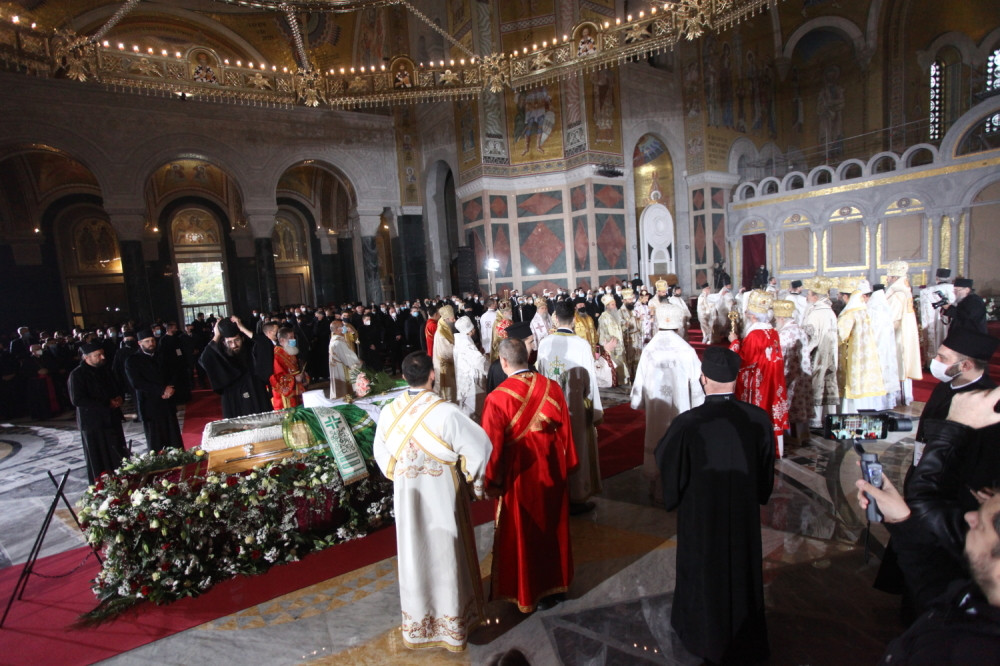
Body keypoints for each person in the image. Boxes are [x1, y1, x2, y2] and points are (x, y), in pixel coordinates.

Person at [655, 346, 775, 664]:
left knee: (702, 572)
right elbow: (766, 473)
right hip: (743, 520)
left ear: (703, 379)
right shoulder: (759, 419)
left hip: (702, 519)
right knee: (743, 571)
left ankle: (701, 634)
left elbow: (666, 462)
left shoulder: (687, 423)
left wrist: (675, 495)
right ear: (735, 379)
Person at [372, 352, 492, 651]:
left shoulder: (389, 411)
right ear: (432, 375)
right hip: (442, 495)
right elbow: (481, 449)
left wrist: (402, 475)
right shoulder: (447, 413)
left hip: (408, 496)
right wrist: (474, 482)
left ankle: (420, 626)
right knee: (447, 553)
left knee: (415, 555)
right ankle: (453, 625)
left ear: (403, 377)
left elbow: (382, 454)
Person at [857, 461, 1000, 663]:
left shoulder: (957, 652)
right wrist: (901, 520)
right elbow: (936, 590)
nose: (970, 516)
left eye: (983, 525)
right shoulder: (978, 596)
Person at [481, 338, 576, 613]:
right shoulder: (552, 387)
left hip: (519, 477)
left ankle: (527, 593)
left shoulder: (496, 398)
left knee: (524, 534)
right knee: (553, 528)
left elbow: (492, 448)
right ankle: (557, 586)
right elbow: (566, 434)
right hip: (552, 471)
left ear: (504, 362)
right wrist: (567, 465)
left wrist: (492, 482)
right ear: (529, 356)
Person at [630, 302, 704, 501]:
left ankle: (656, 488)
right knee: (678, 442)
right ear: (679, 325)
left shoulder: (650, 348)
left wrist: (638, 401)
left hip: (656, 408)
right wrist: (699, 406)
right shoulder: (685, 348)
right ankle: (678, 486)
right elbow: (697, 382)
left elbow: (640, 381)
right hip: (681, 408)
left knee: (656, 438)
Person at [536, 300, 603, 515]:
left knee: (555, 450)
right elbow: (590, 381)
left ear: (555, 317)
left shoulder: (545, 343)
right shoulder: (582, 345)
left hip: (551, 408)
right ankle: (577, 496)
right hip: (575, 408)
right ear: (574, 319)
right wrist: (595, 411)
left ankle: (557, 495)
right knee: (578, 448)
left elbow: (541, 375)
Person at [729, 289, 789, 457]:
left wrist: (734, 342)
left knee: (759, 409)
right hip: (773, 379)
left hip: (759, 383)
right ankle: (778, 447)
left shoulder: (755, 334)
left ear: (753, 316)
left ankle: (758, 446)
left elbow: (744, 361)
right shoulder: (772, 331)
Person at [915, 329, 999, 449]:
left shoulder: (988, 401)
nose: (935, 360)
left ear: (965, 365)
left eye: (943, 358)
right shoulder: (944, 386)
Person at [68, 342, 129, 483]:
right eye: (97, 355)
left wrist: (119, 398)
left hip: (111, 419)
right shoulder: (77, 375)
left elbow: (117, 386)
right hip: (93, 423)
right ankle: (103, 485)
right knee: (98, 456)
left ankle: (123, 479)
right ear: (86, 358)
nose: (102, 357)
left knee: (117, 452)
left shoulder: (105, 370)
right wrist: (106, 403)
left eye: (102, 354)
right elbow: (77, 400)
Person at [198, 317, 271, 418]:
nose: (234, 345)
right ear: (224, 342)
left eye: (237, 340)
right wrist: (216, 335)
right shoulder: (221, 354)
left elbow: (265, 343)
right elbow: (205, 359)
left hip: (255, 390)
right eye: (230, 342)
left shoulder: (251, 349)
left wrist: (242, 328)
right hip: (232, 396)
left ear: (242, 338)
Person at [125, 329, 183, 452]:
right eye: (147, 341)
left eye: (152, 340)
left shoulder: (162, 355)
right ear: (140, 343)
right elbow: (137, 383)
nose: (151, 343)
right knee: (156, 439)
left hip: (167, 402)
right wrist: (162, 390)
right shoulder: (132, 360)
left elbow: (174, 372)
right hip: (149, 404)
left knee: (173, 436)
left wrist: (171, 387)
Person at [836, 278, 885, 412]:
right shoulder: (864, 310)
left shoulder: (849, 313)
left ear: (846, 297)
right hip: (866, 357)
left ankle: (848, 415)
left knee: (852, 387)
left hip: (853, 357)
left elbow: (840, 336)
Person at [774, 299, 813, 444]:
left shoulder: (784, 335)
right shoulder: (799, 329)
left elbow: (782, 359)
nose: (776, 322)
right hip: (803, 375)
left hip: (790, 377)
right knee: (800, 404)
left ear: (782, 318)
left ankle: (792, 438)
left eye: (777, 319)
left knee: (791, 406)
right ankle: (803, 435)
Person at [801, 277, 840, 428]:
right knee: (829, 384)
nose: (807, 297)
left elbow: (810, 338)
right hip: (831, 354)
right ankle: (830, 417)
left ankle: (815, 420)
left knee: (816, 385)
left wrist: (803, 351)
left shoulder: (815, 313)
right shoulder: (830, 312)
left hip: (817, 355)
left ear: (816, 297)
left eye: (809, 294)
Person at [885, 260, 923, 404]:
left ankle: (896, 397)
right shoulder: (905, 291)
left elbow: (893, 319)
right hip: (905, 333)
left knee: (897, 364)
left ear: (895, 277)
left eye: (889, 276)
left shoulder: (896, 294)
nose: (887, 279)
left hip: (897, 335)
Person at [453, 315, 490, 419]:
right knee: (473, 408)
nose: (474, 331)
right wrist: (489, 368)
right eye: (473, 329)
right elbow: (478, 361)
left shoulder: (460, 339)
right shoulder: (466, 343)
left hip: (462, 376)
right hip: (470, 380)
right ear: (470, 331)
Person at [920, 268, 956, 366]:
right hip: (952, 323)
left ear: (937, 278)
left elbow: (924, 314)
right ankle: (952, 362)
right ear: (949, 278)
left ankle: (932, 362)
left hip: (934, 324)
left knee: (935, 337)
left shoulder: (927, 292)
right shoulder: (956, 289)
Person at [269, 327, 309, 410]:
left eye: (294, 337)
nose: (294, 340)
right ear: (282, 340)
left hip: (297, 389)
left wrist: (303, 376)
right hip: (284, 397)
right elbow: (275, 378)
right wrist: (294, 379)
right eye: (291, 338)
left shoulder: (289, 351)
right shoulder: (276, 355)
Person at [596, 294, 628, 386]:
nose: (615, 306)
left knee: (621, 367)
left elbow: (619, 328)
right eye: (613, 304)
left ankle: (623, 385)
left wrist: (625, 326)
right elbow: (602, 333)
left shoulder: (615, 315)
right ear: (607, 306)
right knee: (615, 368)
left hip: (620, 347)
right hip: (612, 348)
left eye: (614, 304)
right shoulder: (603, 317)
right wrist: (608, 345)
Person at [328, 318, 362, 399]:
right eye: (342, 326)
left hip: (336, 368)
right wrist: (357, 362)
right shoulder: (338, 342)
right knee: (343, 392)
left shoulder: (334, 340)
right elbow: (347, 357)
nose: (344, 327)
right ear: (337, 329)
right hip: (341, 369)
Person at [432, 305, 458, 402]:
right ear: (446, 319)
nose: (454, 320)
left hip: (448, 364)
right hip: (444, 365)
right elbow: (446, 351)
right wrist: (459, 349)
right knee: (446, 391)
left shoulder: (445, 327)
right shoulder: (441, 332)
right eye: (452, 318)